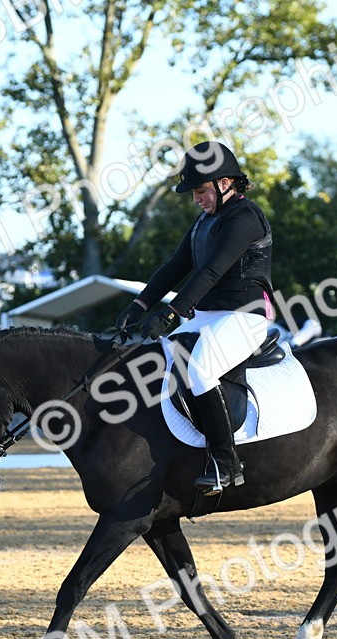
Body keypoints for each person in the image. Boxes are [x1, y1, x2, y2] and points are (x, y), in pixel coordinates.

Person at [114, 141, 274, 495]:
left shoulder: (245, 218)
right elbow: (175, 267)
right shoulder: (205, 220)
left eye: (200, 191)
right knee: (160, 359)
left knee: (199, 368)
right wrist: (139, 306)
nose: (196, 200)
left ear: (225, 183)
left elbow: (213, 271)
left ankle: (226, 462)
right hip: (207, 315)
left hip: (243, 316)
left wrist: (170, 314)